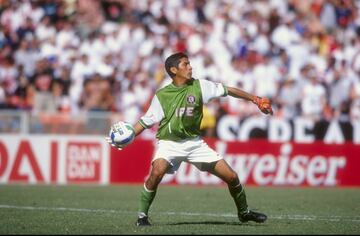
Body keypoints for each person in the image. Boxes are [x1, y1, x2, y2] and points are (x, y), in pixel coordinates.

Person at [107, 52, 273, 226]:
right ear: (173, 70)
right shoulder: (162, 95)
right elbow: (146, 121)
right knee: (156, 173)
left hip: (194, 144)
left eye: (189, 63)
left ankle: (244, 212)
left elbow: (228, 90)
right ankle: (142, 217)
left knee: (231, 177)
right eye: (185, 64)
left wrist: (255, 99)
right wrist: (131, 135)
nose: (190, 67)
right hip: (169, 143)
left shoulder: (200, 86)